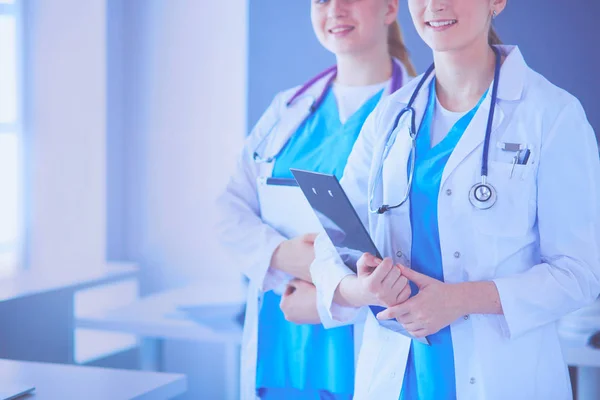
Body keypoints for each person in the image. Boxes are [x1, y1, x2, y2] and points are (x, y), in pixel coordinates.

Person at [310, 0, 600, 399]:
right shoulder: (392, 114)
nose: (434, 5)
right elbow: (333, 236)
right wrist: (362, 290)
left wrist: (459, 300)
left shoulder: (551, 115)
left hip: (502, 378)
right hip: (395, 377)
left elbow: (580, 273)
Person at [216, 0, 417, 399]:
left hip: (362, 340)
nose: (335, 9)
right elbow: (228, 210)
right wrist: (282, 255)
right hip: (283, 341)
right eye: (322, 0)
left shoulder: (418, 111)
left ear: (390, 8)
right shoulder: (287, 110)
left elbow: (423, 247)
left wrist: (329, 296)